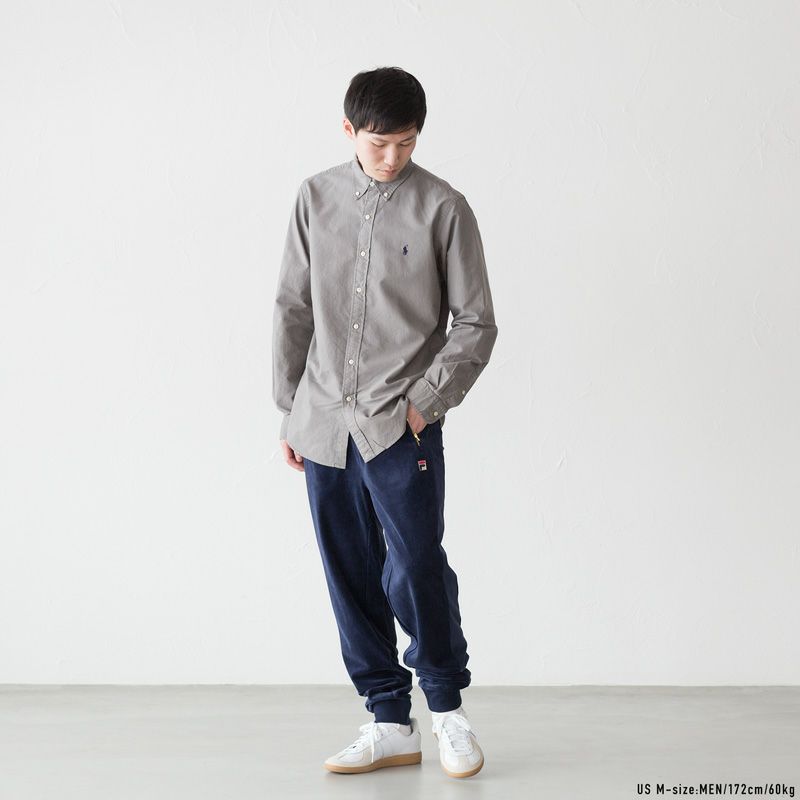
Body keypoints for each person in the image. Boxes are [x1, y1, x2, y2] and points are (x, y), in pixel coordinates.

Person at [271, 66, 498, 779]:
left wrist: (423, 405)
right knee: (349, 572)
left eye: (406, 141)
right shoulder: (314, 198)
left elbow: (476, 323)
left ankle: (447, 709)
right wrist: (291, 411)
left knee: (417, 565)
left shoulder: (444, 208)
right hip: (323, 422)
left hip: (401, 423)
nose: (392, 156)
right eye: (378, 142)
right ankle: (389, 720)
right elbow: (293, 306)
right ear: (349, 131)